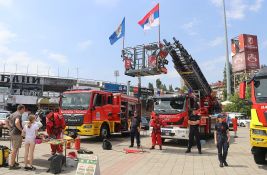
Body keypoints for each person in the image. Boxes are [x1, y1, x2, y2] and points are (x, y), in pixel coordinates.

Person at [8, 104, 25, 170]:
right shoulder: (18, 115)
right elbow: (17, 122)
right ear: (22, 109)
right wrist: (22, 130)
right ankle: (12, 165)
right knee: (15, 149)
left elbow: (7, 121)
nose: (24, 110)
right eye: (24, 109)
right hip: (16, 134)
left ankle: (13, 162)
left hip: (12, 133)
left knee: (15, 148)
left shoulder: (13, 114)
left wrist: (10, 128)